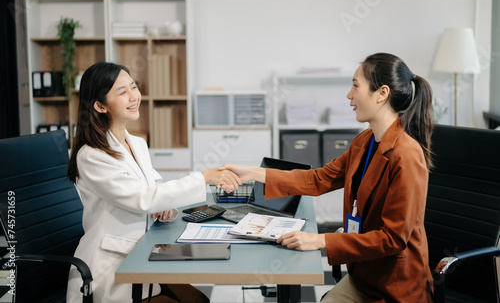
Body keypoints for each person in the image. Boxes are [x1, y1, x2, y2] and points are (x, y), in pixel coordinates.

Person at [223, 53, 435, 302]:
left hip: (394, 287)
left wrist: (320, 240)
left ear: (382, 93)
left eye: (356, 85)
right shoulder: (364, 142)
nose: (349, 95)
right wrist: (252, 172)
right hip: (363, 276)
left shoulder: (407, 155)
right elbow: (318, 179)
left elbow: (392, 239)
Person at [66, 61, 241, 303]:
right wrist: (203, 178)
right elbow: (143, 199)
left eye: (133, 87)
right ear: (99, 105)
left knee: (200, 300)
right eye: (122, 91)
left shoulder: (137, 144)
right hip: (112, 268)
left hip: (145, 254)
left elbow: (156, 194)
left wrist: (165, 210)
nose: (133, 96)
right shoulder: (91, 156)